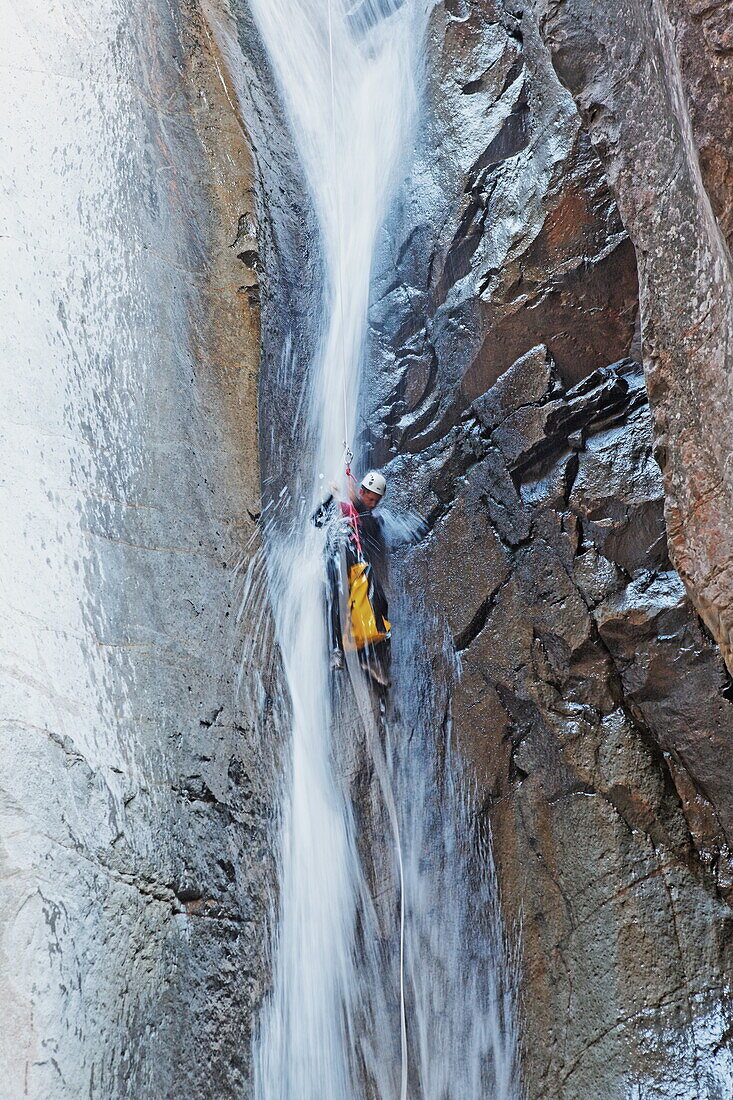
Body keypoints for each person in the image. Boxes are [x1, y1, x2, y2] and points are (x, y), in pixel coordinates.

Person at [313, 469, 391, 687]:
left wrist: (356, 499)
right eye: (370, 498)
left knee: (379, 599)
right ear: (362, 490)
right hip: (335, 559)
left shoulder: (373, 518)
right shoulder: (343, 509)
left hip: (356, 564)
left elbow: (370, 524)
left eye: (377, 500)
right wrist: (331, 496)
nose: (373, 503)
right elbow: (317, 521)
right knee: (335, 597)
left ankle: (374, 651)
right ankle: (335, 649)